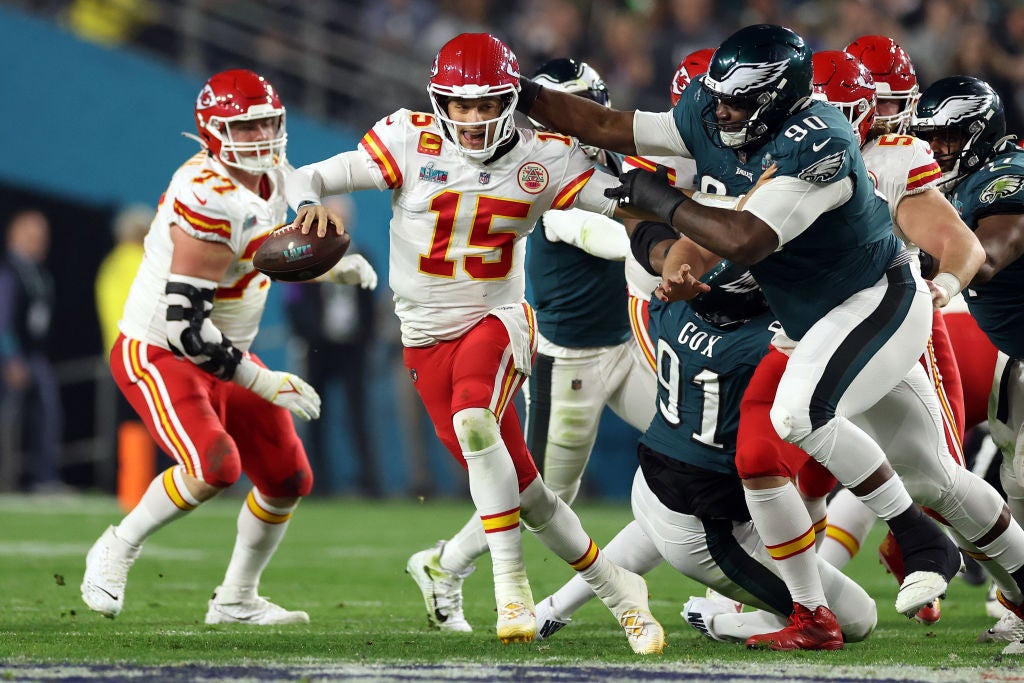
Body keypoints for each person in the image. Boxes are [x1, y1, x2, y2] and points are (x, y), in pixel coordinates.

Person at [518, 23, 964, 639]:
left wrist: (659, 204)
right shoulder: (709, 117)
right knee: (773, 454)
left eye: (738, 100)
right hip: (796, 317)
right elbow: (608, 131)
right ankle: (829, 589)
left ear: (780, 99)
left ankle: (917, 537)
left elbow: (744, 238)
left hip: (865, 300)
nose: (720, 109)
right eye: (717, 94)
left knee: (808, 429)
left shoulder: (820, 141)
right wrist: (514, 94)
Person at [284, 33, 664, 653]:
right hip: (423, 335)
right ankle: (618, 587)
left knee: (474, 419)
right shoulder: (408, 139)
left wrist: (670, 211)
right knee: (530, 494)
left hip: (497, 317)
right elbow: (310, 176)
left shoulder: (544, 154)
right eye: (461, 106)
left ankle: (509, 586)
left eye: (488, 104)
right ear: (439, 103)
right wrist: (308, 208)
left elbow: (619, 204)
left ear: (512, 100)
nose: (474, 118)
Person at [80, 68, 371, 625]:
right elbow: (185, 328)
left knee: (288, 478)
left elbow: (256, 257)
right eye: (246, 125)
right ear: (213, 131)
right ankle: (119, 544)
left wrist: (326, 272)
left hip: (223, 349)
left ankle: (237, 599)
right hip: (162, 349)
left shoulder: (275, 177)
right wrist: (263, 379)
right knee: (214, 465)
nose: (261, 136)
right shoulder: (206, 197)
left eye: (267, 121)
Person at [911, 75, 1024, 655]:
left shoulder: (1005, 177)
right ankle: (1018, 608)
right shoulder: (956, 185)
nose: (937, 150)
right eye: (930, 138)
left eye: (949, 139)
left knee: (1021, 482)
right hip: (1017, 355)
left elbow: (996, 250)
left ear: (979, 133)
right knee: (1013, 485)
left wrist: (941, 270)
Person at [284, 195, 380, 497]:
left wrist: (366, 340)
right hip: (319, 347)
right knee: (315, 415)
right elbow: (294, 302)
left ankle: (369, 483)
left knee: (358, 416)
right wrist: (308, 335)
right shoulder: (307, 255)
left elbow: (370, 303)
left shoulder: (362, 255)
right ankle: (318, 482)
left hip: (352, 348)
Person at [95, 204, 158, 510]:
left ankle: (129, 486)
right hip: (143, 351)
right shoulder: (139, 262)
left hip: (118, 351)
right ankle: (142, 486)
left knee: (129, 421)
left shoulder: (110, 264)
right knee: (152, 420)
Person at [0, 209, 63, 493]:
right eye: (31, 235)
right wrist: (11, 357)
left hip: (36, 356)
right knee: (8, 419)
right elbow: (2, 318)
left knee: (48, 415)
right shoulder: (9, 271)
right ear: (14, 235)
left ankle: (43, 478)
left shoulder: (39, 273)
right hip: (13, 357)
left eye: (42, 237)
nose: (38, 242)